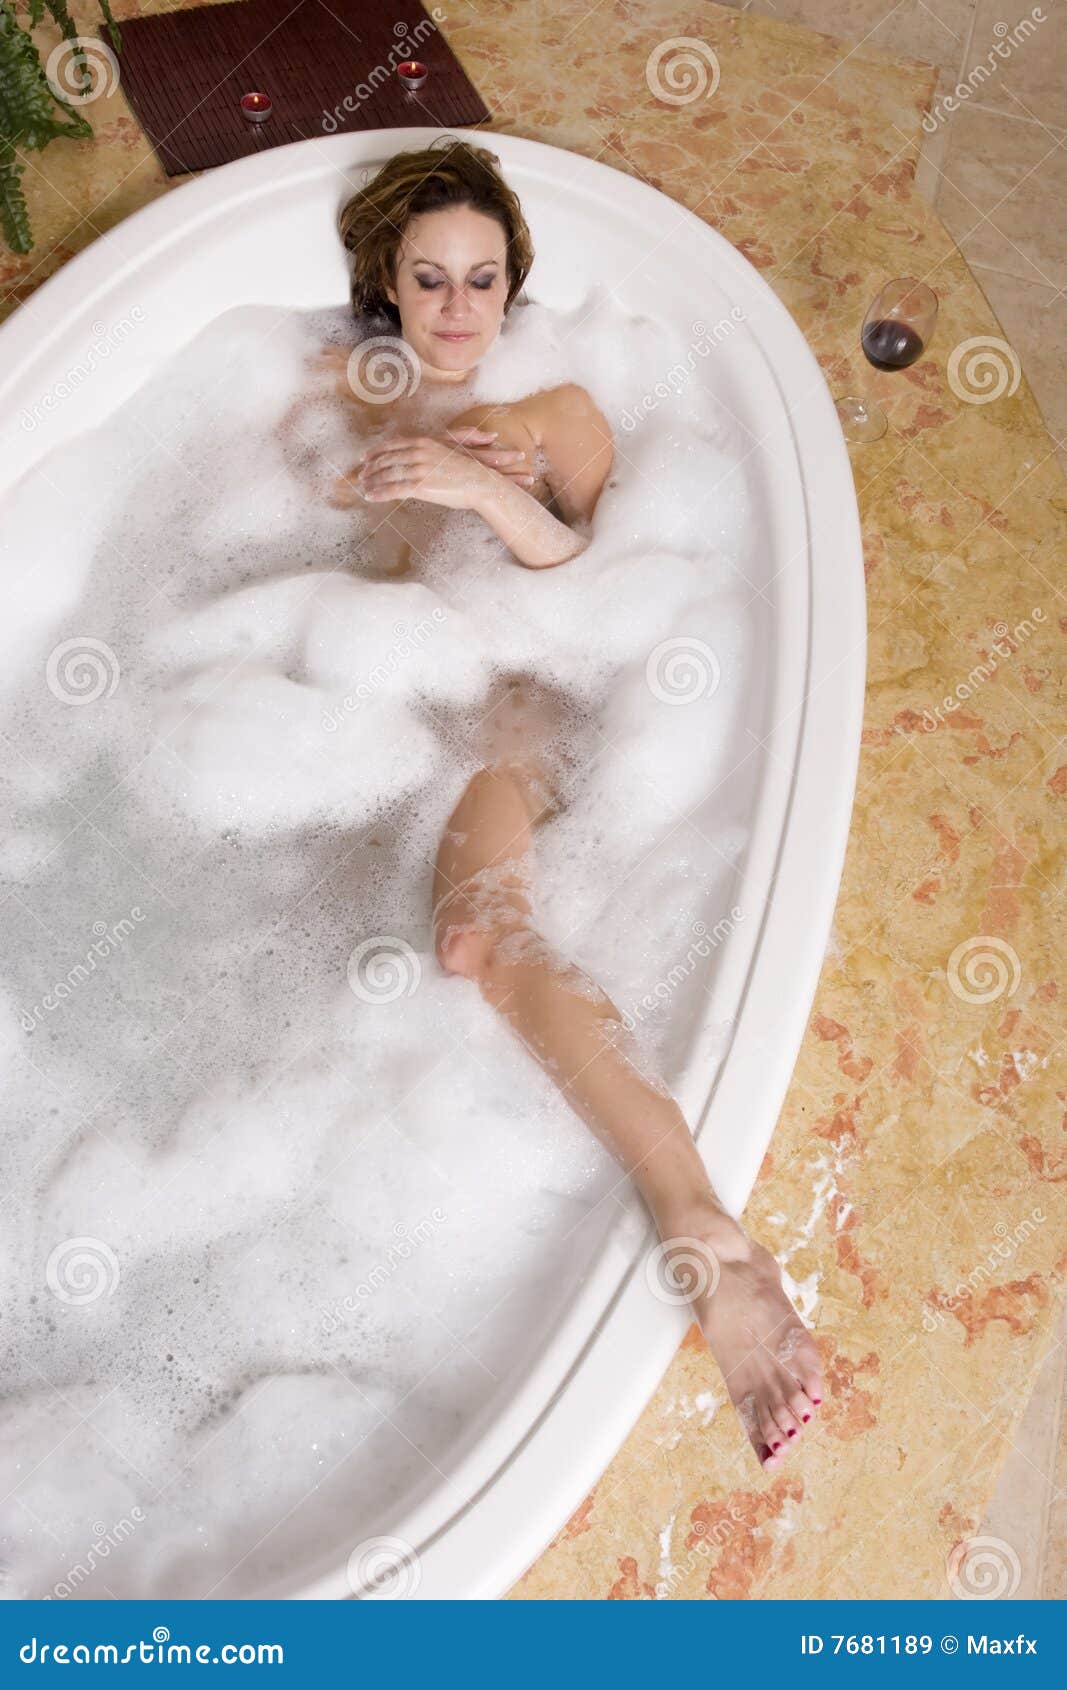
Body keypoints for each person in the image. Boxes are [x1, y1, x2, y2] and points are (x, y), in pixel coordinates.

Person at [331, 137, 824, 1470]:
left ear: (514, 281)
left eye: (482, 279)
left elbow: (611, 578)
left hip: (524, 700)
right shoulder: (335, 392)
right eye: (428, 277)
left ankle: (702, 1230)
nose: (454, 307)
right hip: (371, 710)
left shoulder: (559, 407)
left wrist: (486, 485)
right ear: (386, 275)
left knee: (478, 936)